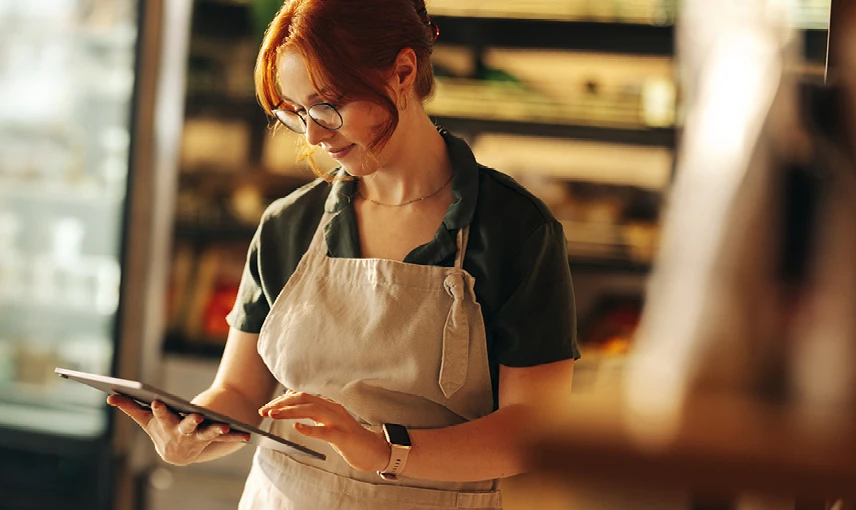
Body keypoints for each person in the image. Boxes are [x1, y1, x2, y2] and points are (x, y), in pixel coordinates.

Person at [108, 0, 579, 507]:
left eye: (328, 105)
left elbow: (530, 432)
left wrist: (384, 450)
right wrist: (191, 433)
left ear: (403, 71)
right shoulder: (288, 225)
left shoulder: (515, 230)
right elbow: (240, 393)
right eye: (296, 112)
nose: (313, 135)